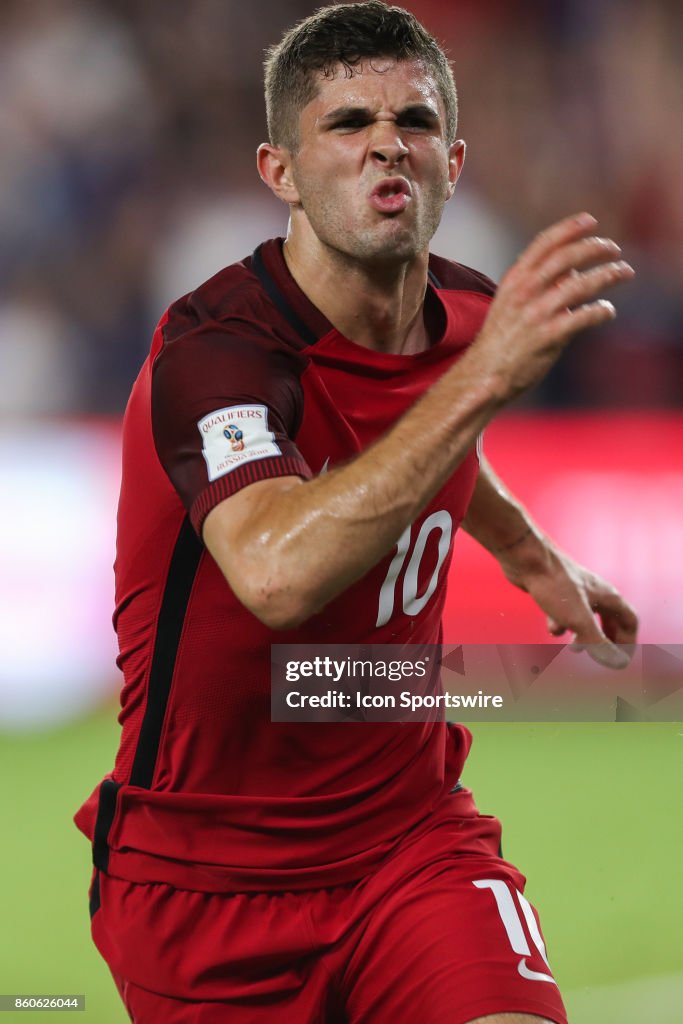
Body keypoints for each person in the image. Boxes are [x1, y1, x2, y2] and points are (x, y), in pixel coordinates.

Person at [75, 3, 639, 1022]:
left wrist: (526, 554)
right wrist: (482, 383)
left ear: (451, 160)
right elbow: (275, 574)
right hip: (206, 886)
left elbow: (437, 442)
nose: (387, 142)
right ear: (278, 170)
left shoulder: (469, 317)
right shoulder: (215, 357)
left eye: (413, 121)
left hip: (407, 843)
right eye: (346, 124)